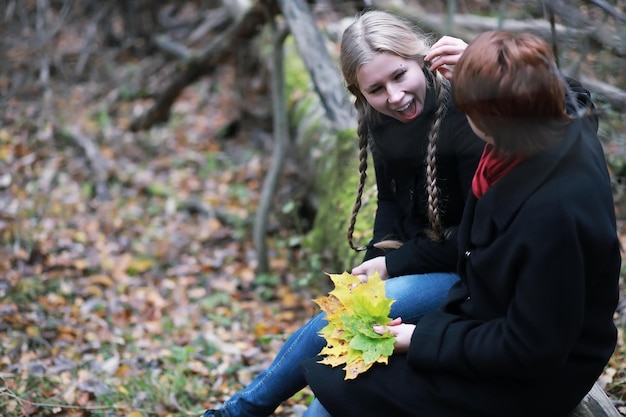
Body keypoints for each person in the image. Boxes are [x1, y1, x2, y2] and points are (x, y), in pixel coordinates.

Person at [301, 30, 621, 417]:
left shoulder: (552, 213)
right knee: (337, 384)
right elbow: (570, 94)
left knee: (344, 387)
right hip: (485, 321)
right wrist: (485, 65)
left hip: (532, 380)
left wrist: (419, 339)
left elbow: (532, 348)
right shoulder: (553, 125)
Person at [202, 10, 485, 417]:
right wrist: (376, 257)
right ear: (359, 92)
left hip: (468, 274)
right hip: (423, 260)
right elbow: (389, 202)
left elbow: (473, 237)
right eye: (376, 88)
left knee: (344, 319)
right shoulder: (382, 120)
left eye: (400, 75)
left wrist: (394, 264)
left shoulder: (465, 116)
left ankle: (238, 412)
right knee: (341, 374)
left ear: (422, 59)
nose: (395, 96)